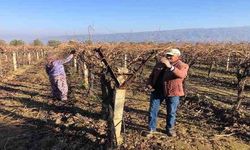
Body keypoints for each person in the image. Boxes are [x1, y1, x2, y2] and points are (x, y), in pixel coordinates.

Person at [147, 48, 189, 137]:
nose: (168, 57)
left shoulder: (183, 65)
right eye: (167, 55)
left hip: (173, 92)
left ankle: (170, 129)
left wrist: (170, 67)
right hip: (157, 91)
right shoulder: (159, 64)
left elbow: (181, 75)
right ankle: (151, 128)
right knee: (152, 111)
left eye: (171, 55)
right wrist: (149, 84)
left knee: (171, 112)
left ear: (177, 56)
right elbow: (152, 75)